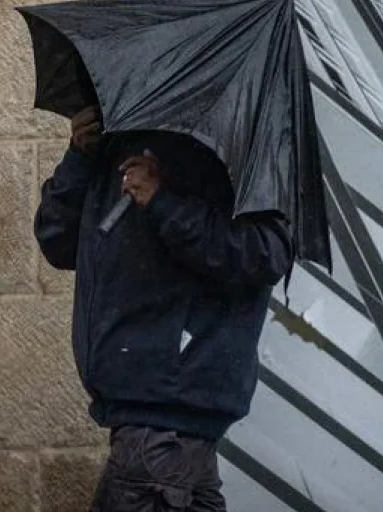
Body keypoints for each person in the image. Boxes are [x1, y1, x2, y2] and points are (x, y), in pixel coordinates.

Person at [35, 105, 292, 512]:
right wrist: (80, 154)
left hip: (168, 417)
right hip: (149, 422)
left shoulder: (236, 134)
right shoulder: (123, 134)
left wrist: (163, 201)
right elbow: (59, 241)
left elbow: (264, 254)